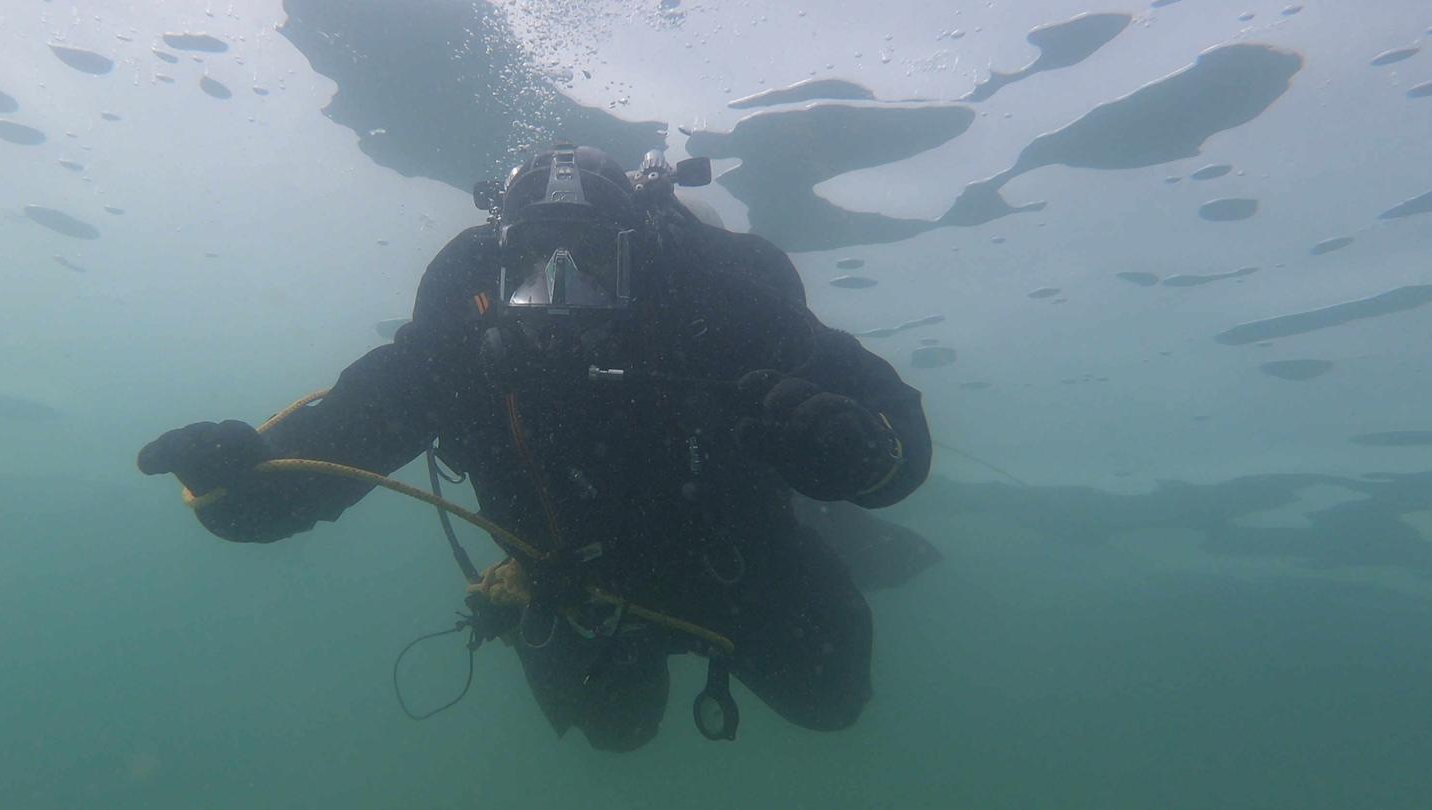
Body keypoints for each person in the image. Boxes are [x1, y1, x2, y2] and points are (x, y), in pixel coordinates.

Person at [138, 144, 934, 752]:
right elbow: (320, 459)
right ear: (497, 265)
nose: (559, 298)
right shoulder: (453, 353)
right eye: (535, 266)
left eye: (589, 264)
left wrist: (858, 458)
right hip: (578, 590)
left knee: (835, 704)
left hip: (742, 561)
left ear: (640, 261)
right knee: (615, 736)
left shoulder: (719, 311)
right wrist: (234, 486)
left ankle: (831, 532)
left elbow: (898, 429)